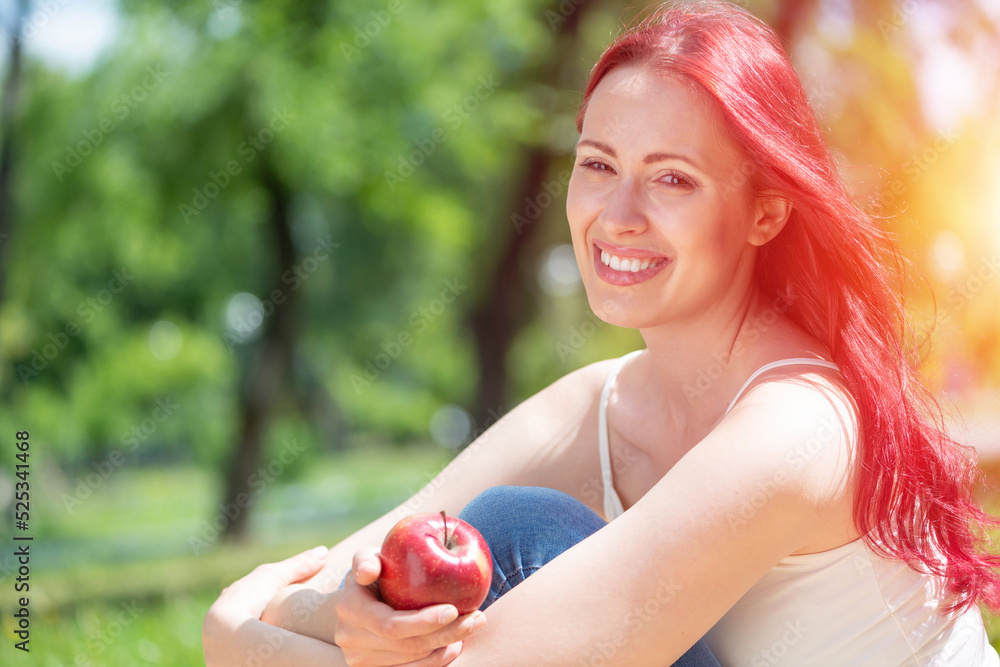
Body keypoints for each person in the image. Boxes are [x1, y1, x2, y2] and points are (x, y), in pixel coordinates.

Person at [202, 1, 1000, 665]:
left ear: (765, 210)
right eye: (597, 164)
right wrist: (350, 609)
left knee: (522, 529)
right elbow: (358, 565)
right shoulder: (598, 406)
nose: (617, 217)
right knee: (516, 528)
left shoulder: (796, 427)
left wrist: (239, 636)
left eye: (672, 178)